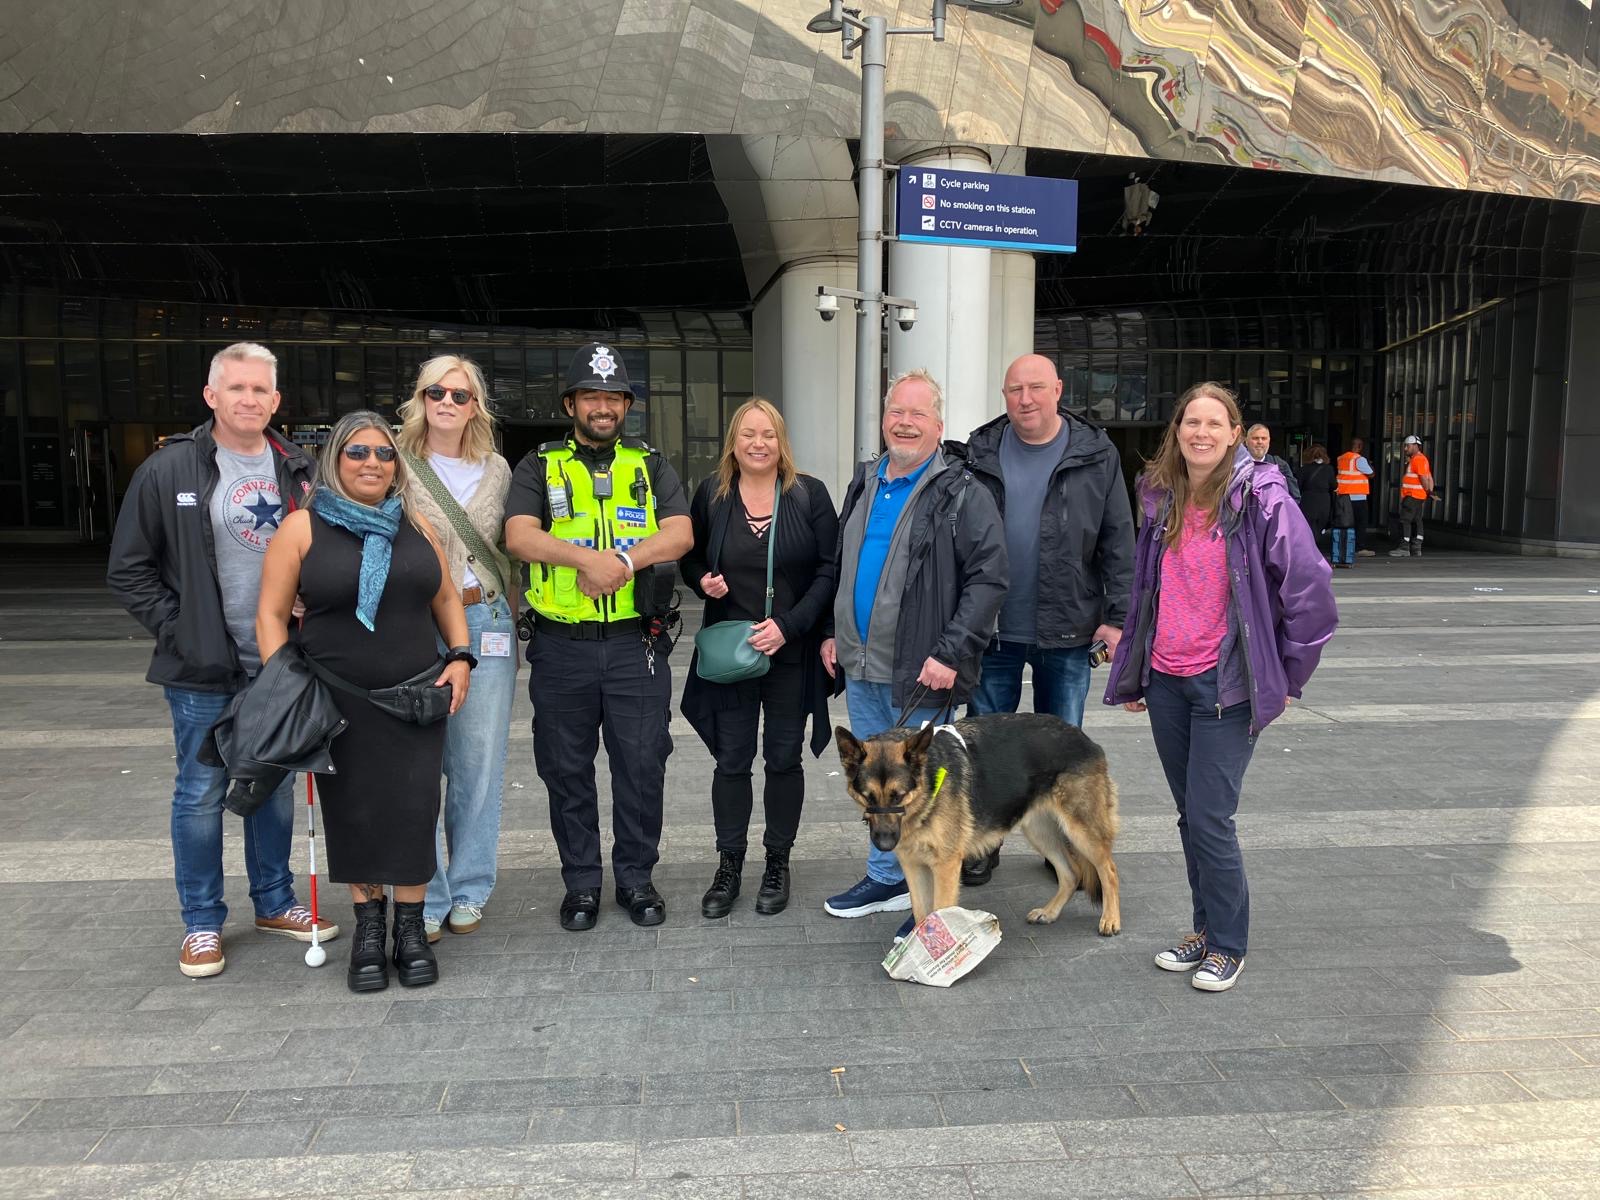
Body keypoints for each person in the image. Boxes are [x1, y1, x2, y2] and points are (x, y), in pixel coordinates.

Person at [108, 342, 336, 979]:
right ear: (212, 397)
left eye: (261, 390)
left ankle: (275, 901)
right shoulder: (170, 468)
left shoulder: (300, 467)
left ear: (277, 400)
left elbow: (327, 553)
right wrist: (182, 630)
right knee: (201, 792)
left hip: (281, 660)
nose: (250, 399)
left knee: (276, 783)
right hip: (203, 667)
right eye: (237, 388)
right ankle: (202, 922)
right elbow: (128, 571)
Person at [1104, 382, 1336, 993]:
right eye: (1190, 422)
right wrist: (1136, 667)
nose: (1201, 433)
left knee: (1210, 817)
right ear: (1176, 431)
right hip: (1167, 680)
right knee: (1190, 816)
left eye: (1215, 423)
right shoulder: (1159, 495)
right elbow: (1146, 592)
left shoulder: (1262, 499)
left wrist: (1287, 675)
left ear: (1236, 433)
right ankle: (1205, 934)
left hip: (1226, 684)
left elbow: (1310, 589)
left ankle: (1230, 944)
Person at [257, 411, 473, 993]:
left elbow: (448, 596)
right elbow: (272, 617)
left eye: (383, 453)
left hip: (414, 699)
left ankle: (409, 929)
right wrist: (286, 687)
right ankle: (369, 931)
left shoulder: (419, 526)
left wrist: (460, 656)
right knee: (353, 814)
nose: (372, 463)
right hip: (337, 701)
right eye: (357, 453)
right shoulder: (302, 529)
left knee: (412, 810)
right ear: (334, 460)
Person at [504, 344, 693, 931]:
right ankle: (582, 883)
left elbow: (681, 533)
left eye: (614, 397)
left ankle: (637, 879)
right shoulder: (539, 464)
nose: (603, 407)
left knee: (641, 766)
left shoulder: (650, 464)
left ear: (626, 406)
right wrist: (585, 560)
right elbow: (518, 535)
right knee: (566, 768)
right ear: (572, 403)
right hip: (562, 646)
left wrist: (624, 563)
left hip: (636, 643)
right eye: (593, 396)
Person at [820, 368, 1006, 942]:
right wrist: (834, 632)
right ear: (884, 418)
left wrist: (951, 652)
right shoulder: (865, 482)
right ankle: (885, 878)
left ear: (939, 425)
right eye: (896, 411)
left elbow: (989, 578)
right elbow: (846, 564)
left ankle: (927, 899)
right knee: (878, 787)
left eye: (917, 414)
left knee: (928, 796)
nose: (904, 422)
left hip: (924, 671)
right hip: (861, 662)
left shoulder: (962, 492)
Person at [958, 353, 1134, 886]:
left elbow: (1118, 540)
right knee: (983, 745)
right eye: (1015, 390)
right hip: (993, 629)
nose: (1025, 399)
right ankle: (982, 843)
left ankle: (1061, 844)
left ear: (1058, 389)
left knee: (1062, 748)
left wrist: (1118, 616)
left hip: (1069, 626)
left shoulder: (1096, 454)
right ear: (1004, 395)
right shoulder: (978, 450)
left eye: (1036, 388)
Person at [680, 399, 839, 918]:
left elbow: (827, 571)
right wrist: (701, 579)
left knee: (783, 758)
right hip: (732, 652)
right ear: (733, 440)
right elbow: (691, 554)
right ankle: (728, 866)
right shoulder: (713, 494)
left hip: (789, 654)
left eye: (767, 434)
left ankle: (777, 862)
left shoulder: (809, 495)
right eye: (748, 434)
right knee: (731, 761)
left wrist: (789, 627)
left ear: (781, 440)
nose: (757, 443)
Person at [395, 355, 517, 944]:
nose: (447, 403)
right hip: (415, 624)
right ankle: (427, 892)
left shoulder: (498, 470)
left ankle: (470, 885)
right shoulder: (391, 460)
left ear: (476, 405)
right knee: (419, 763)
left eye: (460, 395)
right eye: (436, 392)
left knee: (477, 764)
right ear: (419, 398)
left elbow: (511, 546)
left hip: (487, 620)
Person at [1390, 434, 1433, 557]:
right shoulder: (1421, 459)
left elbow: (1424, 478)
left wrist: (1427, 490)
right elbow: (1429, 477)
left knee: (1405, 520)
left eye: (1407, 446)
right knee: (1417, 520)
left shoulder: (1418, 460)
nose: (1405, 449)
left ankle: (1404, 547)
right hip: (1417, 496)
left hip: (1412, 496)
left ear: (1415, 446)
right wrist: (1428, 491)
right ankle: (1416, 546)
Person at [1335, 438, 1375, 559]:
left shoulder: (1341, 458)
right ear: (1360, 447)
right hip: (1358, 496)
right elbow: (1371, 473)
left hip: (1343, 496)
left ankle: (1345, 546)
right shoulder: (1359, 459)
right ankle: (1359, 548)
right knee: (1360, 523)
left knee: (1346, 523)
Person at [1244, 424, 1301, 501]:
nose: (1260, 442)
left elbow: (1294, 497)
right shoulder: (1236, 465)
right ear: (1246, 441)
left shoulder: (1280, 466)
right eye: (1255, 438)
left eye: (1264, 438)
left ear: (1269, 441)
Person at [1295, 444, 1335, 554]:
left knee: (1307, 526)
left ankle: (1309, 549)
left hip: (1308, 500)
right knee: (1320, 524)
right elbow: (1334, 485)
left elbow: (1298, 485)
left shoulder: (1304, 469)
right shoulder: (1329, 469)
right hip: (1324, 500)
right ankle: (1315, 547)